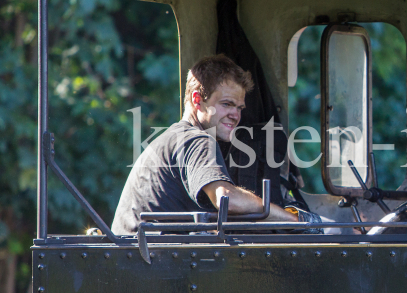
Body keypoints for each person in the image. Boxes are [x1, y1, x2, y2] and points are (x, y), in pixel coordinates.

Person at [112, 54, 320, 235]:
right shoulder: (197, 140)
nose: (236, 115)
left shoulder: (170, 138)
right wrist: (296, 221)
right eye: (226, 104)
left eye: (239, 107)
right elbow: (226, 198)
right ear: (197, 99)